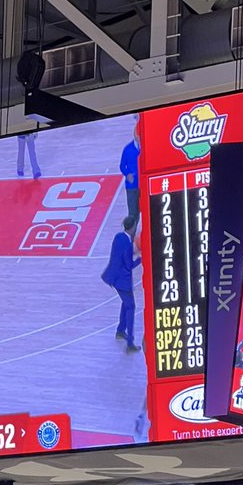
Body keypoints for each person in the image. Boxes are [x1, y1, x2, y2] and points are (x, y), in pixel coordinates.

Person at [102, 217, 141, 353]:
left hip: (113, 277)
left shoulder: (118, 237)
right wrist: (140, 259)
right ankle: (130, 343)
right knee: (131, 306)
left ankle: (120, 331)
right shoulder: (128, 243)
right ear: (132, 227)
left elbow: (119, 256)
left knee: (126, 303)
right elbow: (129, 265)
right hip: (122, 281)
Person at [119, 117, 141, 235]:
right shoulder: (127, 149)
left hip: (144, 185)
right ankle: (130, 237)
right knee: (133, 213)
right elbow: (122, 166)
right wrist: (127, 174)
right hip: (132, 186)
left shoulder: (147, 147)